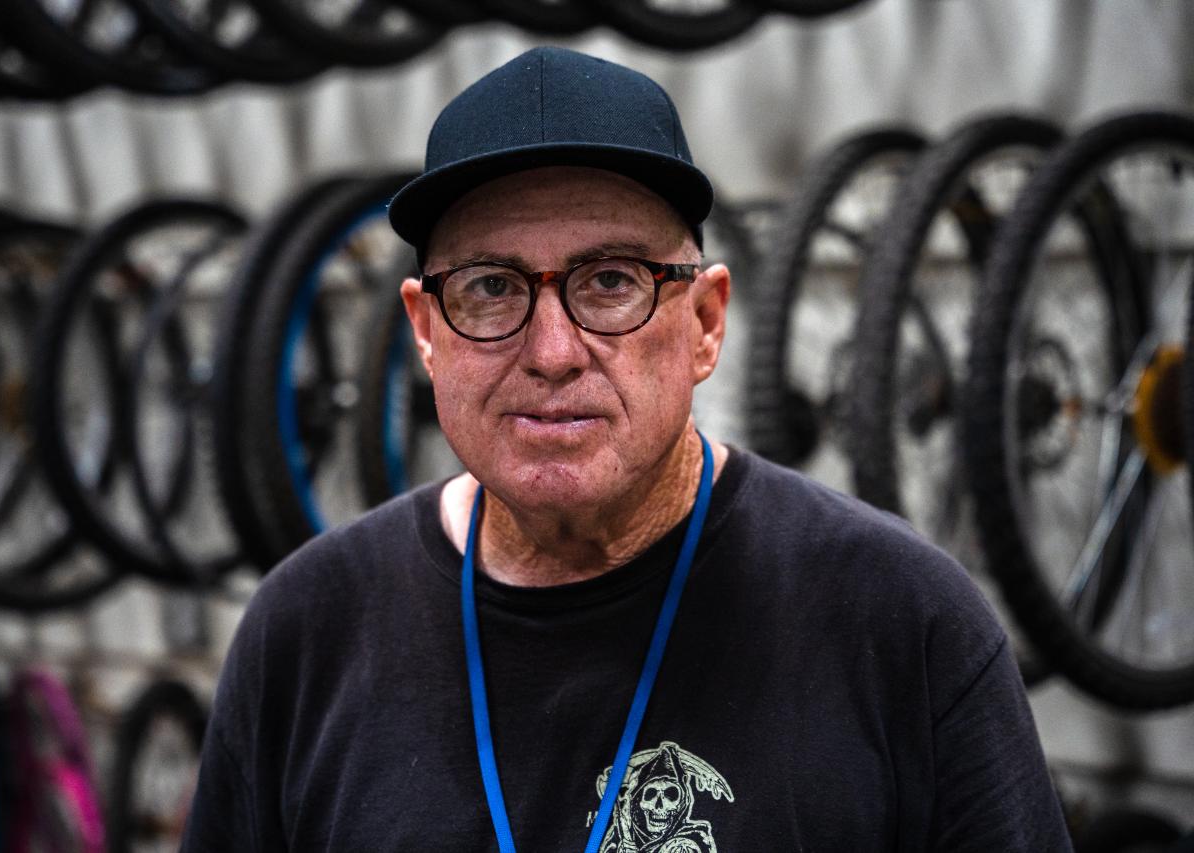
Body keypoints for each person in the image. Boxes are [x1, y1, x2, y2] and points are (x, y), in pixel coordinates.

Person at [181, 47, 1071, 852]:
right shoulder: (304, 635)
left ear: (705, 323)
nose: (554, 351)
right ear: (425, 331)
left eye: (611, 281)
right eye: (490, 288)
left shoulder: (905, 624)